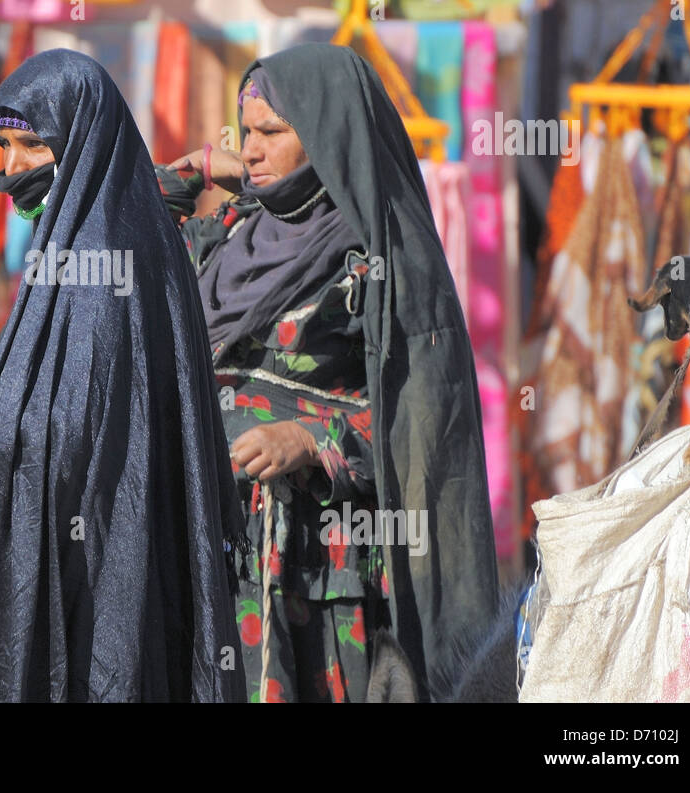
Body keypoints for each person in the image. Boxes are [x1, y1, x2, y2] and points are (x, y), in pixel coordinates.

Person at [0, 48, 246, 703]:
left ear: (81, 142)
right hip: (117, 557)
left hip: (98, 575)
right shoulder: (113, 235)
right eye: (4, 147)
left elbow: (66, 438)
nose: (10, 169)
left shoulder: (99, 257)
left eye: (31, 147)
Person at [157, 43, 498, 702]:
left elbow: (426, 427)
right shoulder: (230, 233)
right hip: (213, 545)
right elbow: (132, 228)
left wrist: (313, 441)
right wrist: (198, 167)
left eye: (272, 133)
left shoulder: (381, 261)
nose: (251, 150)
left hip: (312, 573)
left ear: (324, 136)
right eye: (244, 133)